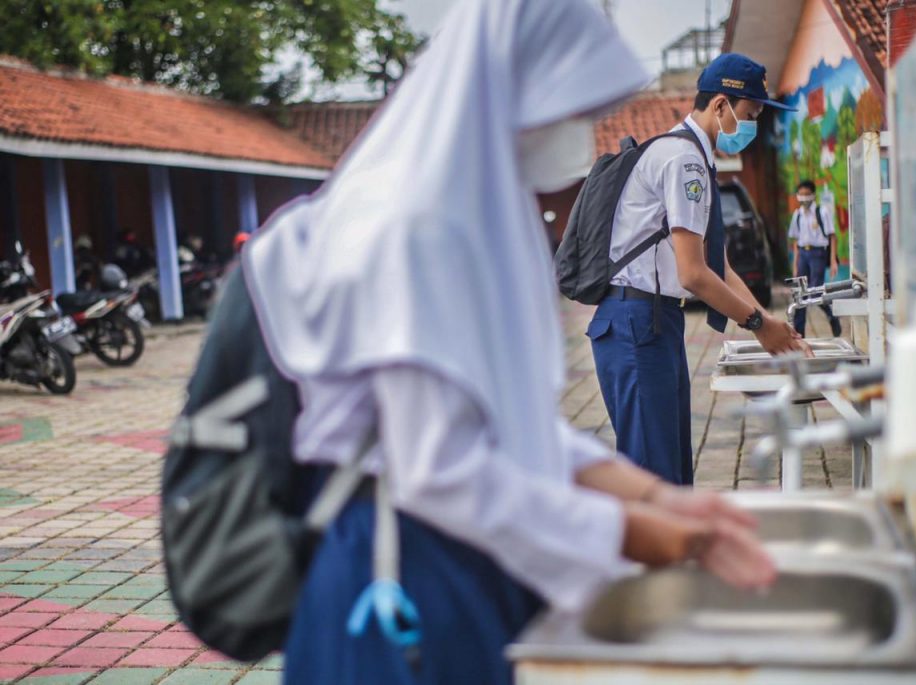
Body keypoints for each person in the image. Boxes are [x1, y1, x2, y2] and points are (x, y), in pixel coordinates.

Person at [243, 2, 776, 683]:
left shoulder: (480, 215)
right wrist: (633, 530)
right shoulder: (411, 227)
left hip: (466, 563)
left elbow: (513, 427)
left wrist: (657, 497)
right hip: (393, 575)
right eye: (571, 110)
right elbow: (440, 469)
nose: (581, 132)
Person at [589, 53, 809, 486]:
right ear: (721, 105)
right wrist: (757, 324)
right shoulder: (684, 160)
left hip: (655, 322)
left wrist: (768, 324)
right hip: (636, 324)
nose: (752, 126)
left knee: (672, 473)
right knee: (654, 479)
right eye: (750, 115)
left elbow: (717, 265)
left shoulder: (696, 158)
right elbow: (693, 273)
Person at [789, 179, 843, 338]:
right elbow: (795, 241)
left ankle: (832, 316)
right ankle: (799, 333)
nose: (804, 198)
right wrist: (795, 264)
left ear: (813, 195)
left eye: (807, 194)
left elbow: (832, 236)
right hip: (803, 255)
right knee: (800, 294)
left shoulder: (822, 212)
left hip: (818, 254)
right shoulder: (797, 215)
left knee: (814, 292)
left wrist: (833, 261)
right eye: (801, 194)